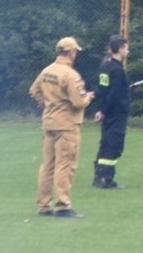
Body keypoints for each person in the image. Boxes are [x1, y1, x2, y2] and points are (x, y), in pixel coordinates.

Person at [29, 36, 95, 218]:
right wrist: (88, 97)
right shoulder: (71, 75)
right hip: (67, 125)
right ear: (71, 53)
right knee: (65, 165)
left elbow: (34, 90)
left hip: (49, 122)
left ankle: (43, 205)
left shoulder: (47, 71)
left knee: (47, 165)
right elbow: (78, 102)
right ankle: (63, 205)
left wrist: (46, 103)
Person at [92, 34, 131, 189]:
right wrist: (105, 110)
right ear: (120, 49)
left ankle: (98, 177)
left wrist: (100, 110)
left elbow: (102, 90)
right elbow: (114, 94)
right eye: (126, 48)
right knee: (113, 146)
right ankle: (107, 179)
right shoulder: (117, 70)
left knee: (105, 144)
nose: (128, 51)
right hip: (116, 113)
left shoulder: (105, 67)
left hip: (106, 111)